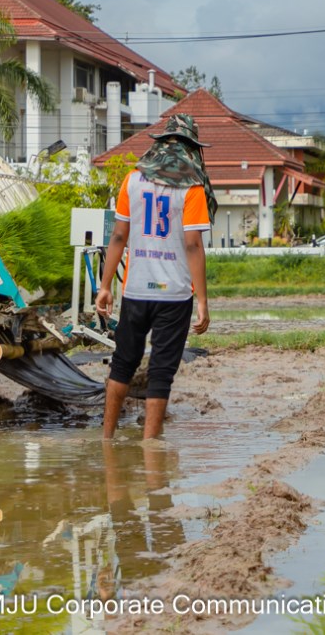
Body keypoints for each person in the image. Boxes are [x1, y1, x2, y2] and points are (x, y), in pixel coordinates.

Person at [95, 115, 215, 440]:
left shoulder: (132, 181)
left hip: (135, 291)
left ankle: (107, 439)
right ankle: (150, 446)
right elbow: (193, 244)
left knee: (122, 363)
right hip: (174, 295)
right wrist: (202, 300)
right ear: (192, 151)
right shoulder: (192, 189)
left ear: (159, 146)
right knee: (161, 371)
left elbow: (118, 237)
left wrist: (105, 287)